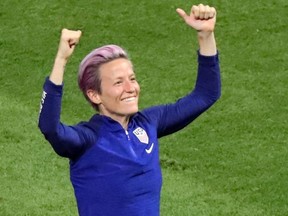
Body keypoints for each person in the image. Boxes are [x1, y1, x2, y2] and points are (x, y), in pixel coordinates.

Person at [38, 3, 221, 216]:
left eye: (132, 79)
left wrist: (206, 36)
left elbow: (206, 94)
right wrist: (61, 60)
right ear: (94, 95)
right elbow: (50, 128)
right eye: (118, 83)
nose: (130, 88)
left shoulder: (148, 123)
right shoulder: (87, 139)